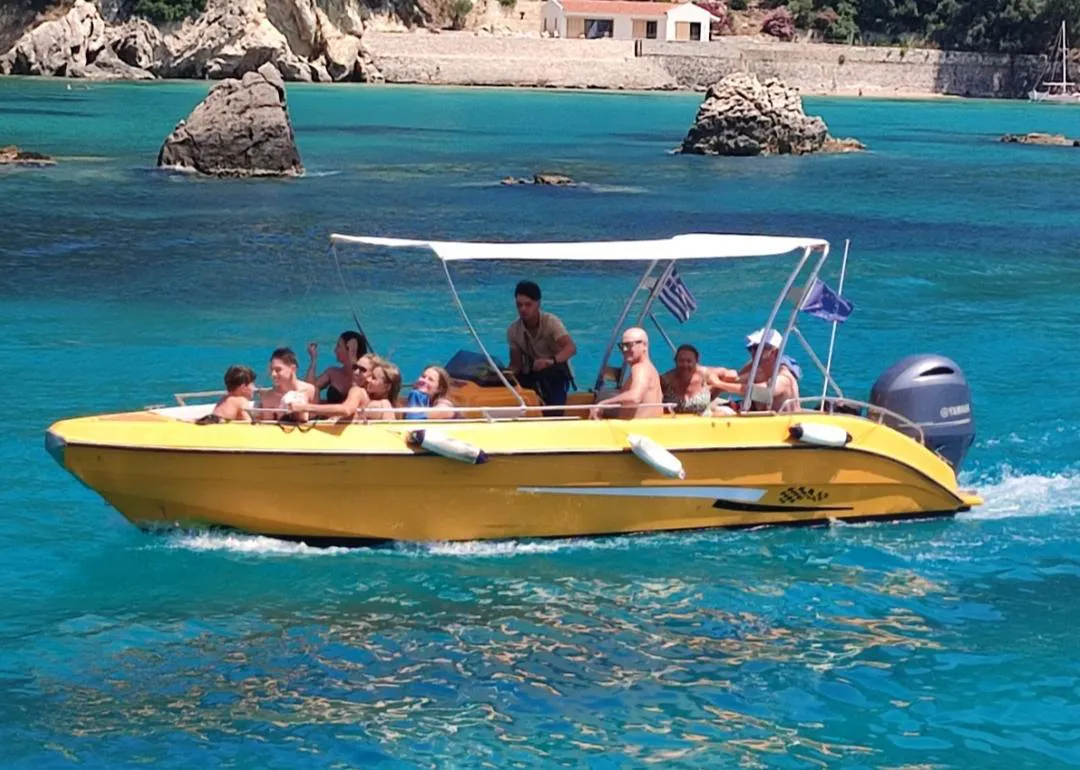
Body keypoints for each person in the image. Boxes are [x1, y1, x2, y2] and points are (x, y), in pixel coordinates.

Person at [506, 280, 577, 410]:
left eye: (528, 305)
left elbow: (571, 348)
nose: (523, 309)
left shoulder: (551, 322)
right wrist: (502, 375)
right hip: (532, 372)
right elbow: (516, 364)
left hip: (556, 370)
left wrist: (551, 361)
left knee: (554, 403)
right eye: (519, 305)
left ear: (538, 304)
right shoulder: (513, 330)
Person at [709, 328, 800, 412]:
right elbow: (735, 380)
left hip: (785, 422)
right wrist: (715, 383)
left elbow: (761, 392)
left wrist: (719, 384)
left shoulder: (784, 378)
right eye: (750, 348)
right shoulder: (757, 369)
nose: (752, 352)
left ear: (774, 352)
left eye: (757, 348)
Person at [296, 355, 400, 422]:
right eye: (355, 367)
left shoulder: (359, 392)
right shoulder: (383, 403)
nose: (356, 372)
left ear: (387, 387)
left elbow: (346, 410)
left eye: (373, 377)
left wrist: (305, 407)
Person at [590, 327, 663, 419]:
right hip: (651, 425)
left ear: (644, 345)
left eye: (629, 345)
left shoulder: (640, 368)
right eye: (622, 345)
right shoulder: (650, 368)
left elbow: (635, 397)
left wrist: (604, 404)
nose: (624, 349)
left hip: (638, 427)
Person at [305, 330, 368, 404]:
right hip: (331, 411)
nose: (335, 350)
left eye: (339, 346)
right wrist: (313, 358)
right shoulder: (332, 373)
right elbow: (309, 388)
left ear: (349, 350)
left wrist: (352, 353)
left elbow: (356, 375)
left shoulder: (367, 376)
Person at [258, 347, 317, 422]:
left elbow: (316, 421)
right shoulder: (268, 398)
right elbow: (267, 426)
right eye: (271, 370)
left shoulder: (311, 391)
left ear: (293, 369)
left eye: (278, 370)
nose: (273, 374)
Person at [662, 344, 713, 415]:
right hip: (673, 420)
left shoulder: (706, 376)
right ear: (675, 361)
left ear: (697, 362)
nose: (685, 364)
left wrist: (720, 386)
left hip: (704, 420)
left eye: (689, 361)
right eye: (681, 361)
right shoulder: (665, 380)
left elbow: (728, 375)